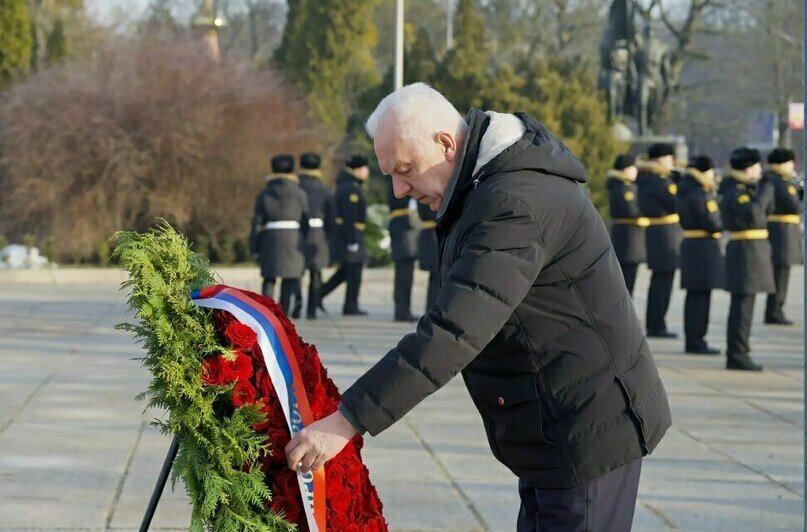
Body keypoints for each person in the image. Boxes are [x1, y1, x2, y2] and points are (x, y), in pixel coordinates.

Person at [285, 83, 671, 531]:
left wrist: (347, 420)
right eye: (389, 173)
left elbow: (453, 331)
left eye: (406, 169)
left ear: (447, 144)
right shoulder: (484, 187)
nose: (398, 189)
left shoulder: (512, 204)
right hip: (552, 425)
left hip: (586, 430)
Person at [719, 147, 775, 371]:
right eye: (756, 167)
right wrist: (766, 190)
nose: (760, 171)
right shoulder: (735, 189)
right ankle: (737, 353)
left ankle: (741, 350)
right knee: (742, 308)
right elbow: (753, 213)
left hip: (754, 250)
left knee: (747, 306)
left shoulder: (749, 188)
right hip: (745, 252)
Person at [676, 155, 724, 355]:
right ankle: (697, 340)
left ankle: (693, 339)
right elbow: (714, 223)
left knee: (694, 296)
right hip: (703, 248)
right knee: (701, 297)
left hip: (691, 246)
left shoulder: (685, 191)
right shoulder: (701, 194)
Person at [249, 154, 308, 315]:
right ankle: (283, 314)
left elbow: (256, 222)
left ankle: (265, 312)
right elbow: (305, 219)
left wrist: (254, 246)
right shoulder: (299, 193)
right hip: (293, 238)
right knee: (289, 279)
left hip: (270, 239)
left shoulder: (265, 193)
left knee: (269, 277)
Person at [636, 143, 683, 338]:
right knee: (662, 281)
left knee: (663, 279)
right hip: (664, 233)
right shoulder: (658, 181)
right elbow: (675, 202)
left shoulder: (650, 179)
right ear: (660, 160)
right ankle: (656, 324)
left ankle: (657, 322)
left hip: (663, 232)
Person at [320, 155, 369, 316]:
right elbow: (349, 216)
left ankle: (318, 295)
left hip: (351, 235)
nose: (367, 172)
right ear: (358, 169)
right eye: (365, 169)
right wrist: (352, 240)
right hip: (351, 235)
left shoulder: (349, 185)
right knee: (353, 272)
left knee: (346, 272)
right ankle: (350, 305)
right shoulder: (350, 188)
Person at [762, 148, 803, 325]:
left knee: (781, 272)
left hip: (781, 229)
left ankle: (775, 309)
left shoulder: (776, 180)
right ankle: (775, 310)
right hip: (782, 231)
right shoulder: (780, 182)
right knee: (781, 273)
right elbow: (794, 206)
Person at [297, 152, 334, 320]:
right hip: (318, 232)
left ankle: (296, 305)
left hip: (297, 232)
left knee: (296, 273)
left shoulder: (296, 185)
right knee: (316, 273)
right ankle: (312, 309)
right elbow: (332, 215)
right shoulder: (323, 188)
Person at [606, 154, 647, 295]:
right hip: (628, 237)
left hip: (626, 236)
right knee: (627, 279)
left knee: (627, 278)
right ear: (625, 169)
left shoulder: (619, 185)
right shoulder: (624, 188)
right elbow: (632, 210)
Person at [387, 182, 419, 322]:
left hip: (401, 226)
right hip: (404, 227)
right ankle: (402, 311)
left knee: (404, 272)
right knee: (404, 274)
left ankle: (402, 309)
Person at [417, 200, 440, 313]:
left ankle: (431, 310)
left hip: (429, 234)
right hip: (434, 235)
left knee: (435, 277)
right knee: (436, 277)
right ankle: (432, 310)